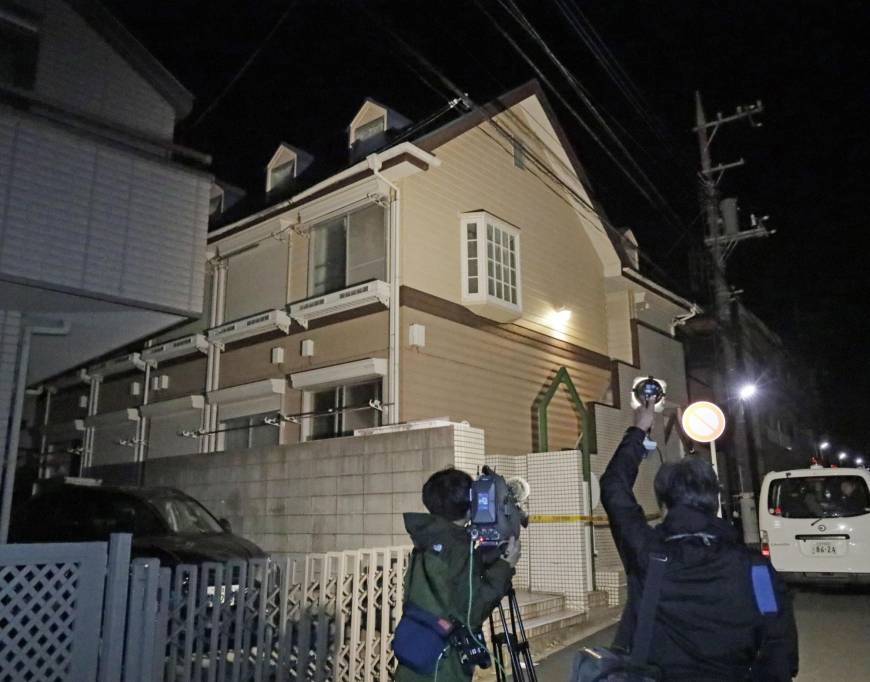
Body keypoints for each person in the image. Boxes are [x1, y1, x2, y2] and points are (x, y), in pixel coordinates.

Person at [600, 401, 799, 681]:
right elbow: (780, 647)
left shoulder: (648, 555)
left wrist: (639, 429)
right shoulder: (757, 572)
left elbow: (613, 487)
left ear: (665, 504)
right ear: (713, 501)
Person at [394, 468, 521, 682]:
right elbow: (472, 610)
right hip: (442, 666)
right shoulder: (458, 547)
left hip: (416, 654)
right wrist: (505, 566)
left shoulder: (430, 538)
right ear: (470, 505)